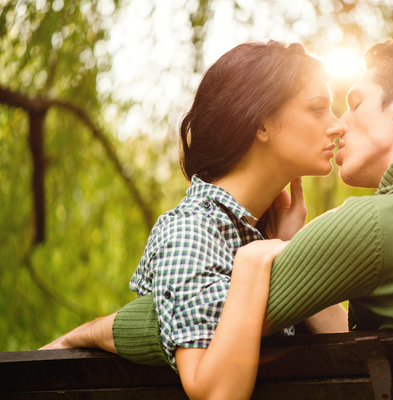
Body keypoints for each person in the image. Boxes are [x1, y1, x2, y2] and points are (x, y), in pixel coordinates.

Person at [44, 36, 393, 391]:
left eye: (352, 101)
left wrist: (84, 333)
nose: (339, 125)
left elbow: (208, 324)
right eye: (322, 107)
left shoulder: (371, 224)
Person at [43, 40, 348, 400]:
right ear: (261, 123)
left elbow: (356, 354)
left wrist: (293, 254)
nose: (338, 126)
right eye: (318, 109)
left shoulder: (262, 236)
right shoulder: (191, 231)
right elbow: (215, 392)